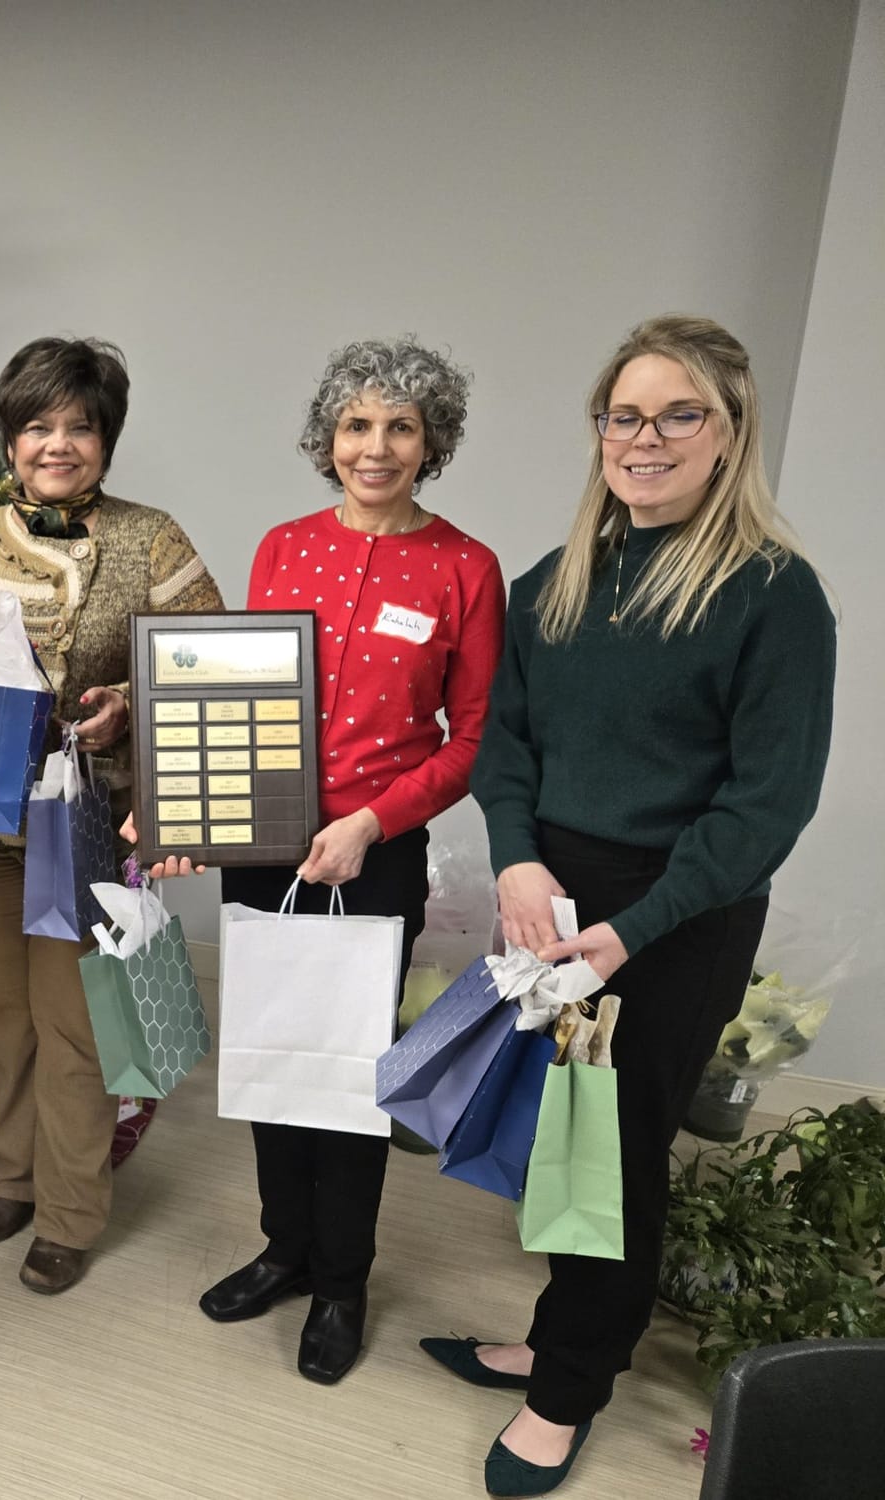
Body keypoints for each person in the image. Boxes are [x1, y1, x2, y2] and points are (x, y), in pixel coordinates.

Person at [430, 315, 834, 1497]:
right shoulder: (552, 584)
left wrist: (630, 931)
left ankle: (564, 1395)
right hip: (549, 905)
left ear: (727, 430)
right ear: (596, 429)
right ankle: (560, 1337)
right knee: (559, 1137)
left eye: (676, 415)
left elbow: (764, 808)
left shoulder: (773, 597)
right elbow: (502, 748)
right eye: (623, 415)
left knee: (615, 1161)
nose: (643, 439)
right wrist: (513, 865)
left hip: (672, 920)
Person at [198, 338, 503, 1382]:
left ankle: (341, 1279)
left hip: (372, 854)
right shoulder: (282, 546)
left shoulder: (464, 567)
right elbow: (243, 699)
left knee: (346, 1076)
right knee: (271, 1059)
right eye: (355, 426)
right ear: (327, 439)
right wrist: (191, 805)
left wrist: (372, 822)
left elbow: (471, 738)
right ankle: (282, 1247)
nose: (374, 448)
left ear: (431, 443)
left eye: (399, 427)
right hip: (264, 843)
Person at [0, 336, 223, 1294]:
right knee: (6, 1012)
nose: (57, 444)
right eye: (37, 426)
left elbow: (203, 666)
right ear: (10, 441)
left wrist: (129, 701)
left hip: (80, 822)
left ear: (106, 439)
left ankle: (72, 1212)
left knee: (71, 1019)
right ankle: (10, 1179)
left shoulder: (150, 538)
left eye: (78, 427)